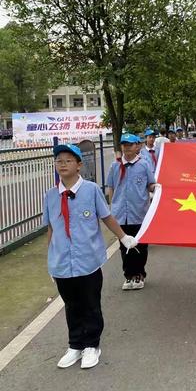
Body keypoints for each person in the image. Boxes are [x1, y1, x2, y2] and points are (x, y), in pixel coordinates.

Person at [43, 144, 137, 369]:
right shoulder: (50, 195)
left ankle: (92, 345)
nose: (62, 164)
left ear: (79, 165)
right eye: (59, 161)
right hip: (62, 263)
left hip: (88, 262)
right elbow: (51, 228)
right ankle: (75, 345)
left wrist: (124, 238)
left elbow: (106, 217)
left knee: (90, 304)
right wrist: (50, 260)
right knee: (71, 305)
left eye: (68, 160)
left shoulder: (91, 190)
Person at [106, 134, 156, 291]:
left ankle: (139, 274)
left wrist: (157, 188)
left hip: (139, 212)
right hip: (120, 214)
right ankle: (128, 275)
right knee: (124, 246)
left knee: (140, 246)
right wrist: (112, 208)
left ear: (137, 146)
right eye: (124, 144)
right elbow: (111, 188)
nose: (127, 147)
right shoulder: (115, 166)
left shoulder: (144, 165)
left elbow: (150, 184)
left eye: (130, 144)